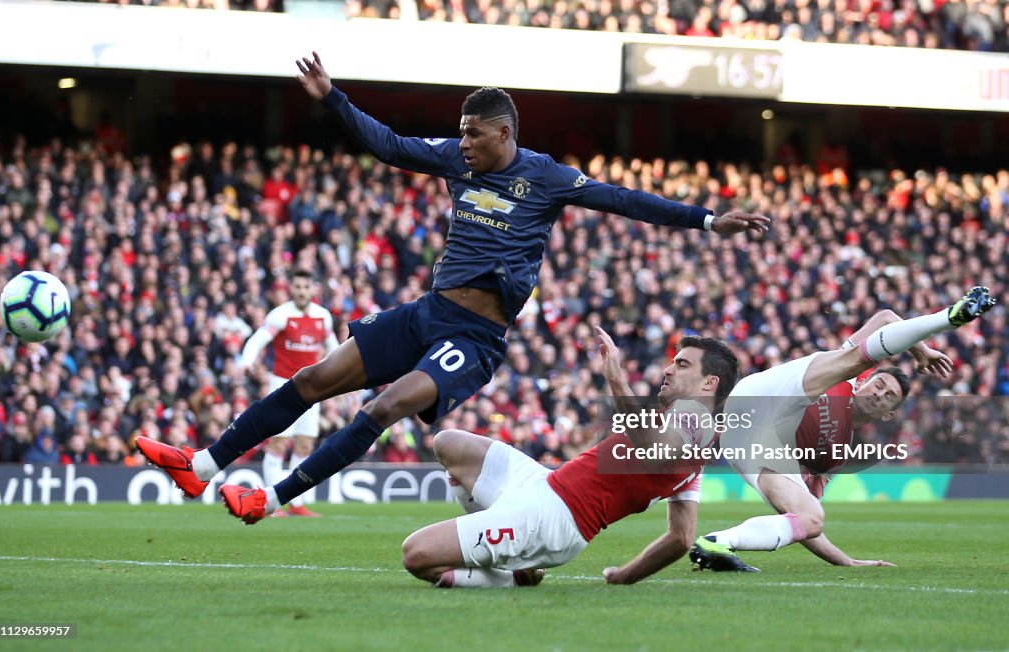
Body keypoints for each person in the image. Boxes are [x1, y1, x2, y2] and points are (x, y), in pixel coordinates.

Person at [136, 50, 769, 524]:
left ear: (504, 135)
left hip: (474, 335)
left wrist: (709, 220)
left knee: (382, 409)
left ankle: (269, 500)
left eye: (472, 132)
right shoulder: (451, 158)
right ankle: (201, 468)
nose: (460, 141)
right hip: (426, 313)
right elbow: (386, 144)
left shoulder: (546, 178)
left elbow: (626, 200)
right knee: (310, 381)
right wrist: (333, 98)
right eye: (459, 131)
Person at [401, 328, 739, 588]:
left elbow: (655, 449)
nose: (668, 369)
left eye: (682, 364)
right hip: (543, 484)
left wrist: (616, 378)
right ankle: (515, 553)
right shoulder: (694, 444)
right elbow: (680, 537)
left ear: (709, 383)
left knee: (416, 555)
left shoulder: (695, 420)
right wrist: (622, 577)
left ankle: (513, 576)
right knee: (449, 444)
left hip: (554, 519)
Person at [690, 286, 996, 571]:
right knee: (846, 362)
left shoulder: (833, 459)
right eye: (879, 384)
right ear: (866, 383)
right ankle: (950, 317)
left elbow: (806, 527)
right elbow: (886, 317)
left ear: (888, 415)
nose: (879, 393)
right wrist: (921, 352)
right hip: (760, 396)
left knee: (811, 518)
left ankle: (718, 543)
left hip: (746, 442)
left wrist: (848, 562)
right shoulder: (847, 379)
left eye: (888, 397)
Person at [237, 269, 339, 517]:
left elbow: (333, 348)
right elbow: (258, 339)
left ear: (313, 289)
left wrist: (342, 375)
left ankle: (296, 503)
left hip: (313, 388)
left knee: (304, 445)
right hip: (283, 386)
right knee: (279, 443)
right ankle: (272, 503)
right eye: (297, 287)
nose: (301, 291)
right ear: (290, 289)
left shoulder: (322, 317)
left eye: (306, 287)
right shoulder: (281, 315)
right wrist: (247, 361)